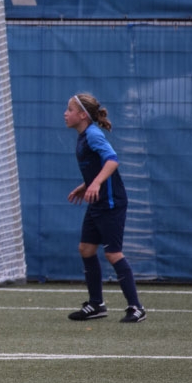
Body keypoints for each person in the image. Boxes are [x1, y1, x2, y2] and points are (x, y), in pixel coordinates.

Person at [64, 93, 146, 324]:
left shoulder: (93, 134)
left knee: (113, 253)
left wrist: (96, 184)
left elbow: (112, 160)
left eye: (70, 110)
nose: (65, 114)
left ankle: (136, 308)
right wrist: (87, 185)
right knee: (86, 249)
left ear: (82, 115)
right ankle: (96, 304)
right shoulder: (83, 136)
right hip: (97, 202)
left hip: (111, 203)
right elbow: (97, 166)